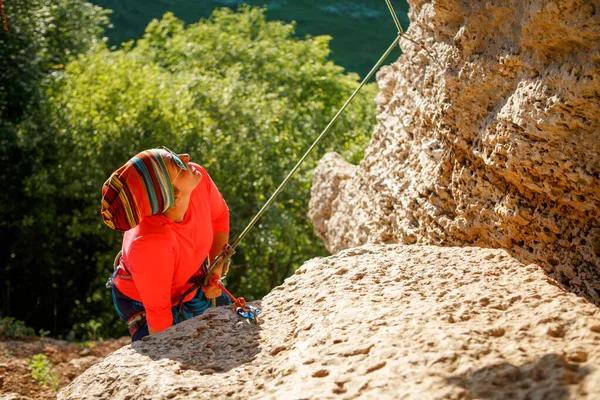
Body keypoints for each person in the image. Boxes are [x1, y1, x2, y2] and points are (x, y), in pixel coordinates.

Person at [100, 147, 232, 341]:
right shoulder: (150, 243)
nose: (186, 157)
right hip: (142, 302)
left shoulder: (198, 179)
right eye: (177, 163)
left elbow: (220, 216)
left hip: (190, 282)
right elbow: (160, 322)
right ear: (174, 196)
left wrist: (216, 270)